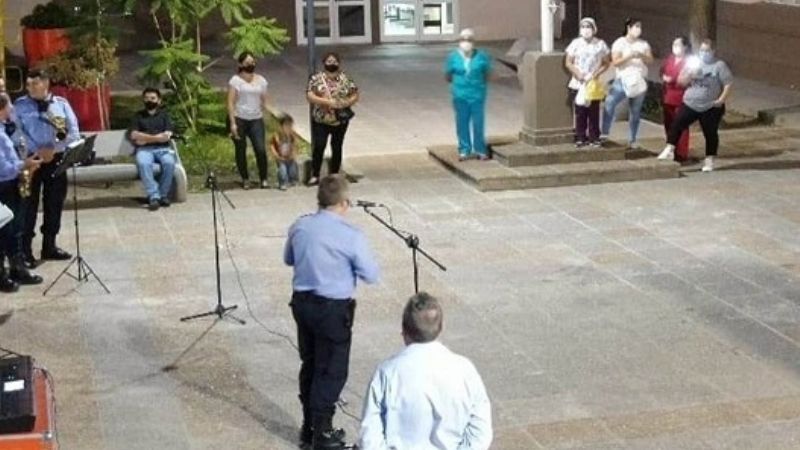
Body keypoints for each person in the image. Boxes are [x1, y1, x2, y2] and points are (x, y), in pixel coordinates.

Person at [284, 174, 380, 450]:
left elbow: (288, 258)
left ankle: (308, 425)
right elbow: (371, 275)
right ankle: (322, 431)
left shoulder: (300, 226)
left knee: (311, 363)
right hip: (332, 309)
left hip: (303, 304)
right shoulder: (351, 236)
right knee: (332, 371)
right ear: (344, 202)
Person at [359, 292, 493, 450]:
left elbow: (370, 436)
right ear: (441, 327)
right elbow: (480, 432)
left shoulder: (387, 373)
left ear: (404, 331)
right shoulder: (465, 370)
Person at [14, 69, 79, 268]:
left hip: (56, 159)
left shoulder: (61, 104)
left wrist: (55, 149)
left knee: (54, 203)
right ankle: (24, 250)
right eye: (28, 84)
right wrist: (37, 150)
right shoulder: (20, 105)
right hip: (32, 160)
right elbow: (17, 132)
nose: (30, 88)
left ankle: (49, 245)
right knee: (28, 205)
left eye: (35, 84)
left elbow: (73, 132)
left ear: (45, 83)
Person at [658, 39, 733, 172]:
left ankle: (709, 159)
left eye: (707, 50)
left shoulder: (719, 65)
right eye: (702, 50)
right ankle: (670, 148)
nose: (704, 53)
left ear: (713, 51)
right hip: (691, 102)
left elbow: (728, 83)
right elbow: (681, 81)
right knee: (677, 124)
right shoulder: (693, 63)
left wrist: (721, 99)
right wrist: (691, 74)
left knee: (710, 132)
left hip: (710, 105)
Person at [0, 94, 44, 292]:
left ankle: (18, 268)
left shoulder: (6, 127)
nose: (12, 109)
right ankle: (2, 273)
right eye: (10, 105)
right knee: (5, 230)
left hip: (14, 183)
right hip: (4, 186)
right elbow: (3, 168)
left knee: (16, 227)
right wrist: (24, 165)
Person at [306, 52, 359, 186]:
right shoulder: (317, 78)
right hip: (321, 119)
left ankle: (334, 174)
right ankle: (315, 174)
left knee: (337, 146)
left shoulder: (345, 79)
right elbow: (309, 94)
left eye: (334, 61)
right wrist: (325, 102)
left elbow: (355, 94)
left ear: (338, 63)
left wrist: (346, 103)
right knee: (319, 146)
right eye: (329, 61)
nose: (331, 63)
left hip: (340, 120)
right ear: (324, 63)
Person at [601, 18, 653, 149]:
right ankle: (604, 133)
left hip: (639, 80)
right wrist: (629, 56)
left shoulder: (644, 44)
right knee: (610, 102)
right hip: (623, 79)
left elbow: (650, 60)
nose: (638, 29)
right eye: (636, 26)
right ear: (628, 28)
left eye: (640, 27)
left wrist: (641, 55)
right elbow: (616, 61)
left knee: (635, 111)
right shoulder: (620, 43)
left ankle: (632, 139)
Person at [445, 28, 493, 161]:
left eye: (469, 39)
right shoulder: (453, 57)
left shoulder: (481, 57)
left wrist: (479, 85)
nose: (466, 42)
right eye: (463, 39)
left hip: (477, 95)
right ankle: (464, 149)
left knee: (478, 123)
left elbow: (487, 74)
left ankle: (480, 149)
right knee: (462, 123)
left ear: (474, 42)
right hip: (460, 96)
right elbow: (448, 75)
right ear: (459, 41)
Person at [227, 51, 271, 190]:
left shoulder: (261, 80)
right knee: (241, 150)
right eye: (247, 63)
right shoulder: (235, 81)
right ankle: (245, 178)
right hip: (240, 118)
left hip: (256, 119)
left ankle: (263, 178)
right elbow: (230, 102)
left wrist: (269, 116)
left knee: (260, 149)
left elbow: (265, 101)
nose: (250, 65)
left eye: (252, 62)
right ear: (240, 64)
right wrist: (232, 123)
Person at [128, 87, 176, 211]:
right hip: (144, 150)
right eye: (147, 98)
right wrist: (156, 138)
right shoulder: (138, 116)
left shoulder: (164, 116)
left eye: (153, 98)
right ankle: (153, 196)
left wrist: (145, 138)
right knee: (143, 164)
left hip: (163, 149)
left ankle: (163, 195)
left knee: (169, 163)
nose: (150, 101)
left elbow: (167, 135)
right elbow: (134, 135)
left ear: (159, 101)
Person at [565, 17, 610, 148]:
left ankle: (594, 136)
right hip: (578, 82)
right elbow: (568, 62)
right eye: (583, 27)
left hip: (593, 82)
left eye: (588, 27)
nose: (586, 30)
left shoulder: (600, 44)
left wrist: (594, 74)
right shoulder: (575, 43)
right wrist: (578, 74)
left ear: (594, 29)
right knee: (580, 111)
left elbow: (606, 63)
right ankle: (580, 136)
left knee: (593, 110)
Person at [660, 36, 691, 162]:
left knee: (681, 125)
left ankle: (681, 153)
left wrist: (672, 79)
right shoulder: (670, 59)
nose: (675, 47)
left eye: (678, 45)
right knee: (669, 123)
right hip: (668, 96)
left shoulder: (688, 61)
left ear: (685, 47)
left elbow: (685, 79)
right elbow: (662, 71)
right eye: (674, 44)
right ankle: (670, 148)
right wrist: (664, 78)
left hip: (682, 97)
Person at [269, 114, 299, 191]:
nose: (288, 129)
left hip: (290, 157)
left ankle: (292, 180)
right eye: (286, 126)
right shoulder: (276, 136)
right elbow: (272, 146)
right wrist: (276, 155)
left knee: (293, 169)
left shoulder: (292, 136)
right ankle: (282, 183)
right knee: (282, 170)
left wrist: (294, 154)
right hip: (281, 158)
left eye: (290, 126)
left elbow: (295, 145)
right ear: (281, 127)